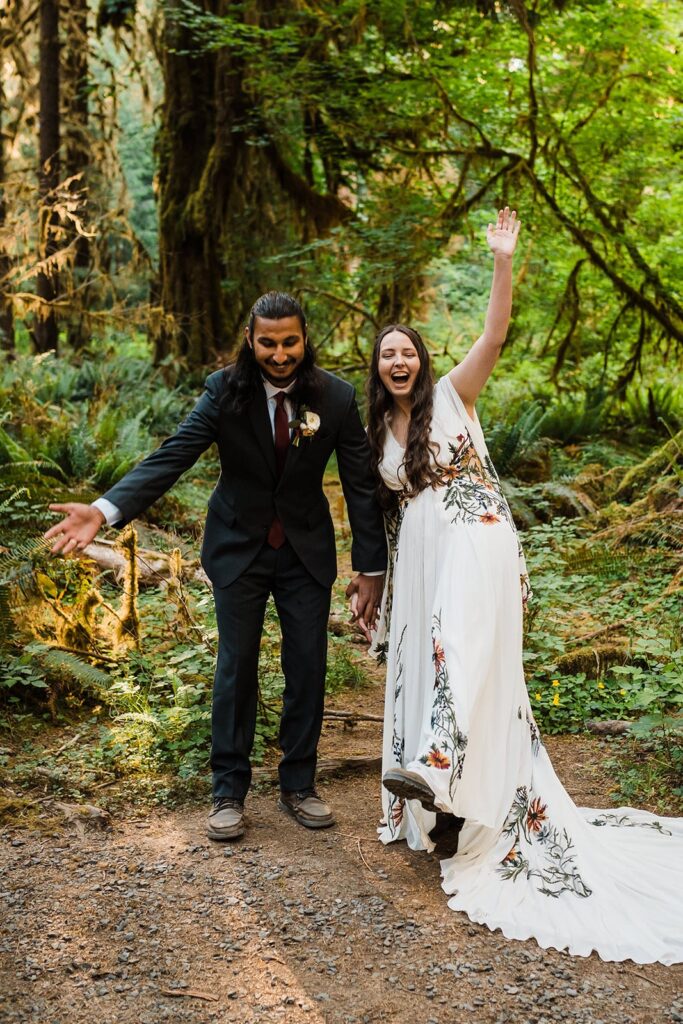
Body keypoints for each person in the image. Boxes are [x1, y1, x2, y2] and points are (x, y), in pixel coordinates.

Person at [362, 208, 683, 964]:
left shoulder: (452, 396)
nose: (399, 362)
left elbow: (496, 335)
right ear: (376, 368)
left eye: (407, 351)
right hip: (421, 555)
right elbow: (378, 512)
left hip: (475, 535)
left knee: (458, 647)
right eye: (387, 355)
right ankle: (443, 808)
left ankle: (437, 767)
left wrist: (502, 260)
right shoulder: (376, 433)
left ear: (423, 359)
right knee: (426, 660)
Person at [45, 291, 387, 841]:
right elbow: (174, 454)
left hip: (305, 554)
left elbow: (362, 487)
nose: (279, 354)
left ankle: (299, 784)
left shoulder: (337, 398)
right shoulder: (224, 391)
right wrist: (105, 510)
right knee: (236, 668)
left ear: (305, 339)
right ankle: (228, 791)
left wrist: (371, 568)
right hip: (238, 550)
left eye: (290, 342)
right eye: (268, 343)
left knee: (307, 668)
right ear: (251, 340)